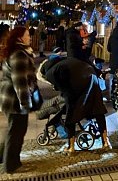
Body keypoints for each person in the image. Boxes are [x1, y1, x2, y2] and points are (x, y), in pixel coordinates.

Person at [40, 54, 111, 153]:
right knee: (97, 108)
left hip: (78, 82)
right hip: (92, 76)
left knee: (71, 113)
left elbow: (63, 89)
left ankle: (71, 148)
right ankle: (106, 142)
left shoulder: (50, 73)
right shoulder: (65, 61)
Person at [0, 26, 37, 173]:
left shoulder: (19, 52)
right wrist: (25, 104)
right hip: (15, 101)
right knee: (16, 131)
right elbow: (20, 82)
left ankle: (7, 158)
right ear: (20, 38)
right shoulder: (19, 55)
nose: (29, 37)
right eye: (27, 35)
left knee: (13, 130)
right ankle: (11, 165)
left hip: (11, 99)